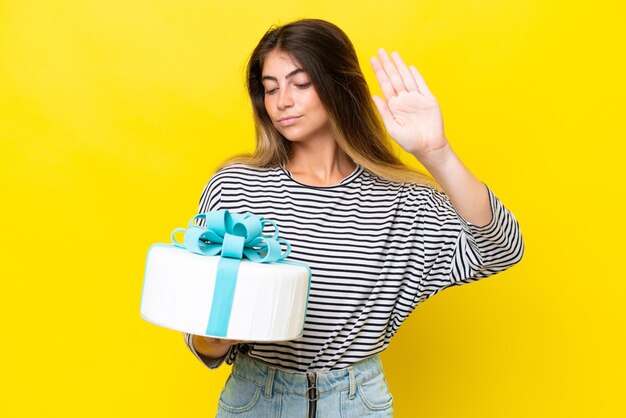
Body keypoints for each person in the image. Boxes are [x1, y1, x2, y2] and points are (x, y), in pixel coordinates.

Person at [182, 18, 524, 417]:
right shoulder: (237, 185)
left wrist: (437, 153)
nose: (282, 102)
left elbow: (501, 249)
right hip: (256, 397)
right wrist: (215, 338)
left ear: (338, 84)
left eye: (300, 83)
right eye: (270, 88)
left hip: (357, 402)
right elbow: (200, 334)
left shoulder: (402, 200)